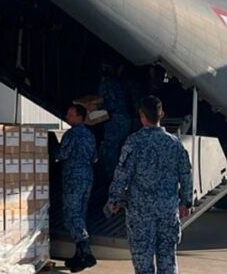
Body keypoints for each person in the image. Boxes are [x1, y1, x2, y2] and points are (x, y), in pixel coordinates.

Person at [105, 96, 192, 274]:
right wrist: (186, 201)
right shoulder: (174, 144)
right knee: (168, 259)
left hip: (140, 212)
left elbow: (122, 174)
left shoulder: (134, 142)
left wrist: (114, 199)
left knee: (143, 261)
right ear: (162, 114)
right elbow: (186, 174)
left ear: (141, 115)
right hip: (167, 210)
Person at [56, 103, 98, 271]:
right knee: (80, 214)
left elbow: (62, 154)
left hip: (73, 178)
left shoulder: (71, 135)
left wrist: (50, 151)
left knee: (72, 216)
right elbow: (95, 158)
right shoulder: (90, 135)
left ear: (80, 117)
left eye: (71, 114)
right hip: (87, 176)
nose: (67, 117)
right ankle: (81, 253)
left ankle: (85, 253)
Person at [97, 63, 132, 177]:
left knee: (109, 148)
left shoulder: (106, 84)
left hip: (115, 119)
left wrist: (95, 107)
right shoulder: (118, 84)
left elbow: (110, 103)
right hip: (124, 118)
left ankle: (112, 176)